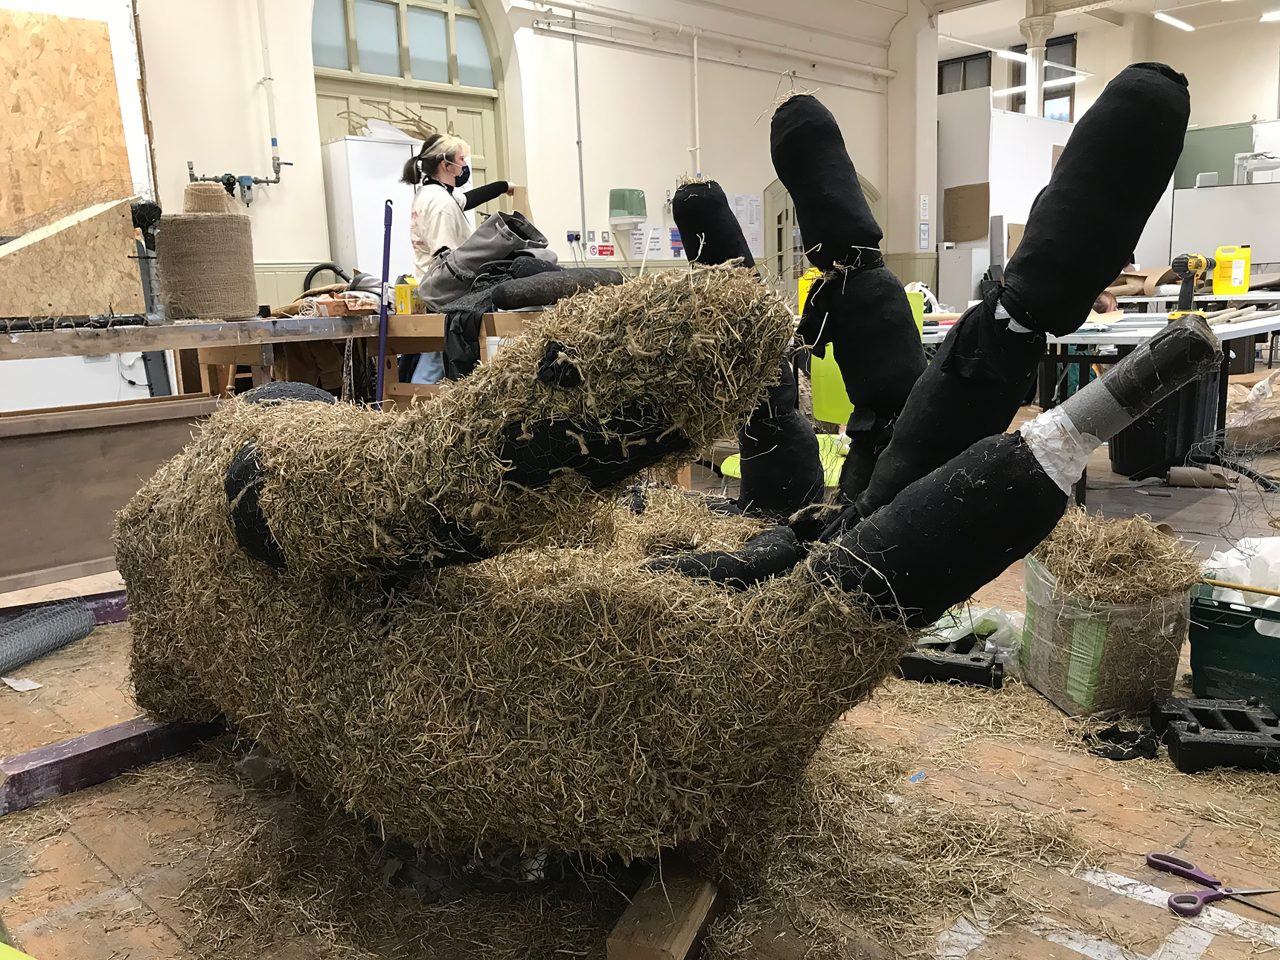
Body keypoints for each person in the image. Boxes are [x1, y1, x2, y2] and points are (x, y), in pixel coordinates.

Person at [400, 132, 515, 383]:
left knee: (433, 360)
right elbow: (447, 258)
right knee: (434, 365)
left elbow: (466, 199)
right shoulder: (440, 203)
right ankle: (416, 416)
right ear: (446, 165)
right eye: (461, 159)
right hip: (446, 294)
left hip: (432, 288)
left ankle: (416, 412)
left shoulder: (432, 193)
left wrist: (503, 187)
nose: (464, 166)